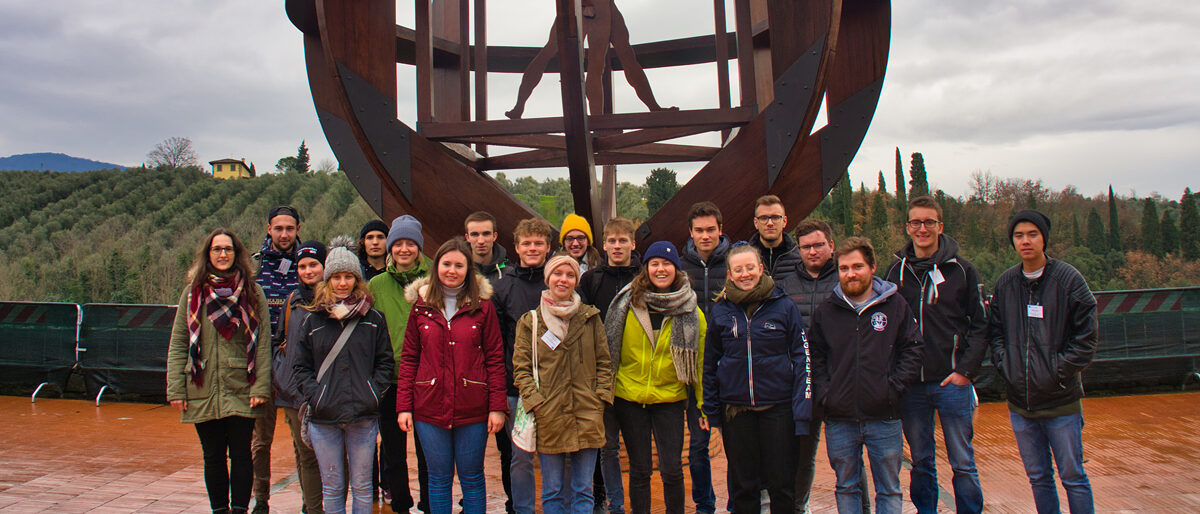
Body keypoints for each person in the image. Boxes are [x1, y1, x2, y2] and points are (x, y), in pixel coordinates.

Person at [883, 196, 987, 514]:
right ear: (908, 227)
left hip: (951, 383)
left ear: (940, 226)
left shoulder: (963, 272)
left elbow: (982, 326)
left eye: (929, 222)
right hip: (911, 386)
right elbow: (885, 327)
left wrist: (965, 372)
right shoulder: (894, 272)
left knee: (962, 461)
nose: (922, 228)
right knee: (921, 461)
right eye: (916, 222)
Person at [988, 210, 1097, 514]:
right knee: (1038, 478)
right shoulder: (1007, 283)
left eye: (1032, 234)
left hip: (1061, 402)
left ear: (1044, 238)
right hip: (1021, 406)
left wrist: (1056, 371)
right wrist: (1006, 365)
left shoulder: (1068, 279)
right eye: (1019, 235)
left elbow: (1086, 337)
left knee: (1073, 476)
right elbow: (994, 332)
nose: (1025, 241)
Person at [809, 237, 922, 514]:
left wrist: (892, 389)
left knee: (889, 488)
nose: (851, 273)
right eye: (844, 268)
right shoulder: (827, 311)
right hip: (840, 418)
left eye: (857, 266)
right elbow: (815, 358)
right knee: (846, 486)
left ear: (872, 267)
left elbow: (913, 349)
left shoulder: (895, 307)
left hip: (884, 415)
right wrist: (826, 395)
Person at [396, 238, 508, 514]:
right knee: (438, 478)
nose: (452, 270)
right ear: (436, 268)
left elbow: (494, 358)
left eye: (459, 265)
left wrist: (497, 406)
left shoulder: (483, 307)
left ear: (468, 270)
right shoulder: (421, 307)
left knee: (472, 477)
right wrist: (404, 407)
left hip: (473, 407)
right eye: (446, 264)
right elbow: (410, 357)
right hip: (429, 407)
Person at [166, 228, 272, 514]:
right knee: (212, 456)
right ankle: (219, 510)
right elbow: (178, 342)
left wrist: (261, 386)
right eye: (217, 249)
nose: (223, 254)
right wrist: (176, 388)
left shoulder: (253, 291)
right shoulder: (192, 293)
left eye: (228, 249)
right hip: (202, 384)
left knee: (241, 454)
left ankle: (239, 509)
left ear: (237, 254)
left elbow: (262, 343)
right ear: (208, 254)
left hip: (242, 384)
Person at [703, 244, 811, 514]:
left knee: (781, 485)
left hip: (779, 409)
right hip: (737, 413)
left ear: (761, 269)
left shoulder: (783, 306)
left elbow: (801, 356)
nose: (745, 274)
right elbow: (710, 363)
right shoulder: (721, 311)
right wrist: (712, 409)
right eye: (738, 270)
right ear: (730, 274)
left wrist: (802, 406)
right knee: (743, 487)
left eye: (750, 267)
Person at [604, 241, 706, 514]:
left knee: (672, 470)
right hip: (630, 398)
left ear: (677, 269)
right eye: (655, 264)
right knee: (639, 471)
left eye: (667, 264)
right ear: (646, 268)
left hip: (670, 399)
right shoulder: (626, 305)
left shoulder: (692, 312)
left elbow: (700, 363)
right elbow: (609, 351)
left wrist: (702, 405)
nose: (661, 269)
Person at [293, 244, 394, 514]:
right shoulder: (312, 320)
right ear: (327, 280)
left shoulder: (373, 319)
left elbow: (385, 362)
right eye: (336, 277)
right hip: (324, 416)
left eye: (348, 276)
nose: (342, 283)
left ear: (357, 279)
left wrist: (372, 393)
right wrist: (317, 396)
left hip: (362, 414)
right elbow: (300, 367)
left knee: (362, 486)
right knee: (333, 486)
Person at [774, 219, 866, 513]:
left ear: (831, 246)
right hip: (802, 385)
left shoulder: (846, 282)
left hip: (842, 382)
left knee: (849, 458)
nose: (812, 252)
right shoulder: (785, 287)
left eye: (818, 245)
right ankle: (797, 507)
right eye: (805, 247)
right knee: (801, 457)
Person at [513, 254, 614, 514]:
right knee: (553, 490)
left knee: (583, 489)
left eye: (570, 275)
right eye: (558, 274)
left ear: (576, 280)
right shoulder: (530, 322)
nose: (563, 280)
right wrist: (536, 403)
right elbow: (521, 368)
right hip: (550, 415)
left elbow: (604, 362)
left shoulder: (591, 319)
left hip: (587, 413)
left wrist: (600, 399)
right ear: (548, 279)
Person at [505, 0, 673, 120]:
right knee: (597, 63)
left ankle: (650, 108)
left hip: (597, 6)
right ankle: (599, 121)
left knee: (618, 58)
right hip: (587, 6)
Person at [367, 215, 433, 513]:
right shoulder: (377, 285)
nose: (404, 250)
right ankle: (401, 505)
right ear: (390, 247)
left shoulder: (436, 277)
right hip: (390, 378)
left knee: (429, 449)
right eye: (398, 244)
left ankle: (431, 503)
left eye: (410, 244)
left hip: (428, 377)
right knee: (393, 450)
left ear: (419, 247)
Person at [576, 216, 639, 513]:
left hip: (636, 374)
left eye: (622, 240)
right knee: (608, 447)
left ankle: (637, 502)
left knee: (637, 449)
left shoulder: (644, 278)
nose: (617, 246)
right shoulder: (591, 280)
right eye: (612, 241)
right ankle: (616, 504)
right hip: (602, 376)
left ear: (633, 244)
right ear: (603, 244)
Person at [493, 217, 555, 514]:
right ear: (516, 247)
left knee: (557, 454)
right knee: (520, 457)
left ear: (548, 247)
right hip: (515, 387)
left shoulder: (558, 280)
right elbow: (495, 341)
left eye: (538, 243)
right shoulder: (502, 286)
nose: (532, 248)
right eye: (526, 243)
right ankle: (523, 509)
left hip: (555, 385)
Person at [678, 201, 728, 513]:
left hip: (731, 365)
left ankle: (740, 503)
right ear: (690, 232)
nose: (705, 235)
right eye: (699, 230)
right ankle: (704, 505)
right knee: (698, 445)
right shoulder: (680, 267)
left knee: (739, 444)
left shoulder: (735, 262)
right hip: (694, 371)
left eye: (711, 229)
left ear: (721, 230)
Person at [271, 240, 328, 514]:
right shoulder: (291, 301)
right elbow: (279, 341)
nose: (308, 271)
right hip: (293, 393)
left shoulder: (334, 301)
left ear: (324, 266)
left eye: (313, 264)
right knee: (305, 456)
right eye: (303, 266)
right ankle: (312, 508)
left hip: (326, 392)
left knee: (329, 456)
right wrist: (280, 377)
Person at [252, 205, 302, 513]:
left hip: (296, 363)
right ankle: (260, 499)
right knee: (261, 440)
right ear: (269, 229)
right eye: (278, 228)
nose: (284, 234)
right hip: (261, 362)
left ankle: (310, 502)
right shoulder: (252, 267)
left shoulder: (309, 263)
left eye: (290, 228)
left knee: (302, 437)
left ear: (298, 229)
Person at [748, 195, 801, 277]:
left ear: (784, 221)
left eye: (775, 217)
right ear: (756, 223)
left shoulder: (800, 260)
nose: (770, 223)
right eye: (763, 218)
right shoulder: (743, 259)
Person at [465, 211, 509, 283]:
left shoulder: (510, 275)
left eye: (486, 234)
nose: (481, 241)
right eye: (474, 234)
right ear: (467, 238)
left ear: (494, 236)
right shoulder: (458, 272)